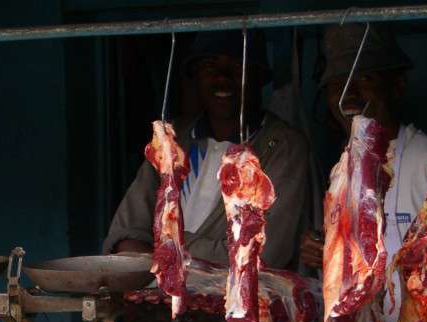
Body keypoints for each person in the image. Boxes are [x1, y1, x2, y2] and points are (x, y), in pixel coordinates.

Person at [300, 23, 427, 322]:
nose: (348, 94)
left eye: (363, 79)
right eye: (336, 85)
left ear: (397, 86)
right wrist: (321, 253)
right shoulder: (343, 169)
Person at [103, 30, 311, 270]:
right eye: (209, 66)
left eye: (237, 66)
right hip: (161, 290)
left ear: (258, 77)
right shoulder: (173, 138)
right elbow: (125, 234)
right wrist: (172, 252)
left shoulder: (283, 146)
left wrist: (164, 244)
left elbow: (263, 253)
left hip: (236, 293)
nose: (222, 77)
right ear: (197, 76)